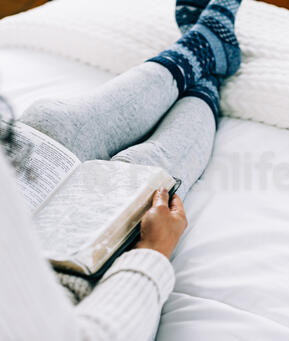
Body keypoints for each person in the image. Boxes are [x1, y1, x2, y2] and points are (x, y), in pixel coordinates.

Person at [0, 0, 242, 339]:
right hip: (60, 274)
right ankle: (207, 60)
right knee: (143, 176)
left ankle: (203, 49)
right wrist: (152, 254)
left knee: (50, 123)